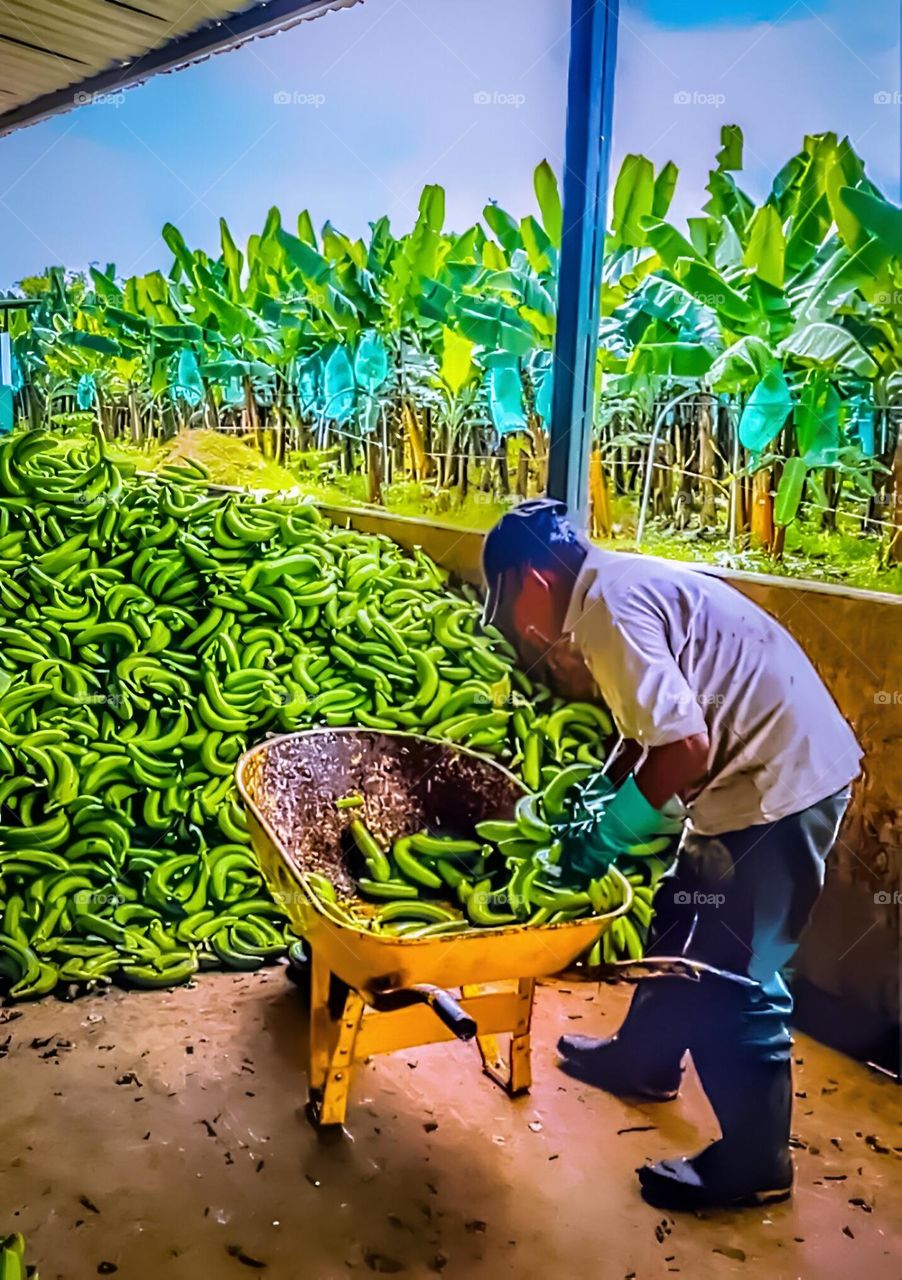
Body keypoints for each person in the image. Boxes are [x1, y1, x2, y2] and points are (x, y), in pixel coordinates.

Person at [482, 498, 861, 1211]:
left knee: (733, 977)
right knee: (680, 911)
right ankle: (644, 1060)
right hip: (756, 775)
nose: (518, 625)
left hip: (781, 790)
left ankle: (757, 1162)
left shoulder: (610, 611)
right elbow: (652, 728)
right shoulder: (608, 593)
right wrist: (605, 790)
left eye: (508, 604)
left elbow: (686, 748)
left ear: (533, 578)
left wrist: (612, 834)